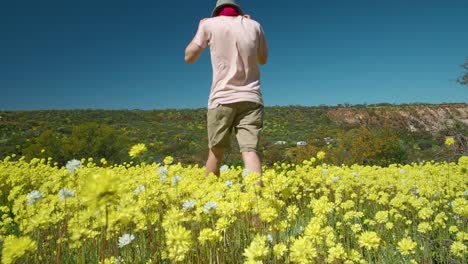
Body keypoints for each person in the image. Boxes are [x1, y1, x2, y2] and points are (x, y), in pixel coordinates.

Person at [185, 0, 268, 177]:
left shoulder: (209, 24)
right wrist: (250, 29)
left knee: (216, 152)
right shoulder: (254, 25)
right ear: (238, 11)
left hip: (222, 98)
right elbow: (263, 59)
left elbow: (189, 57)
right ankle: (257, 198)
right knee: (249, 150)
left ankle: (209, 196)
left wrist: (201, 28)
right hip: (252, 98)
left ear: (217, 11)